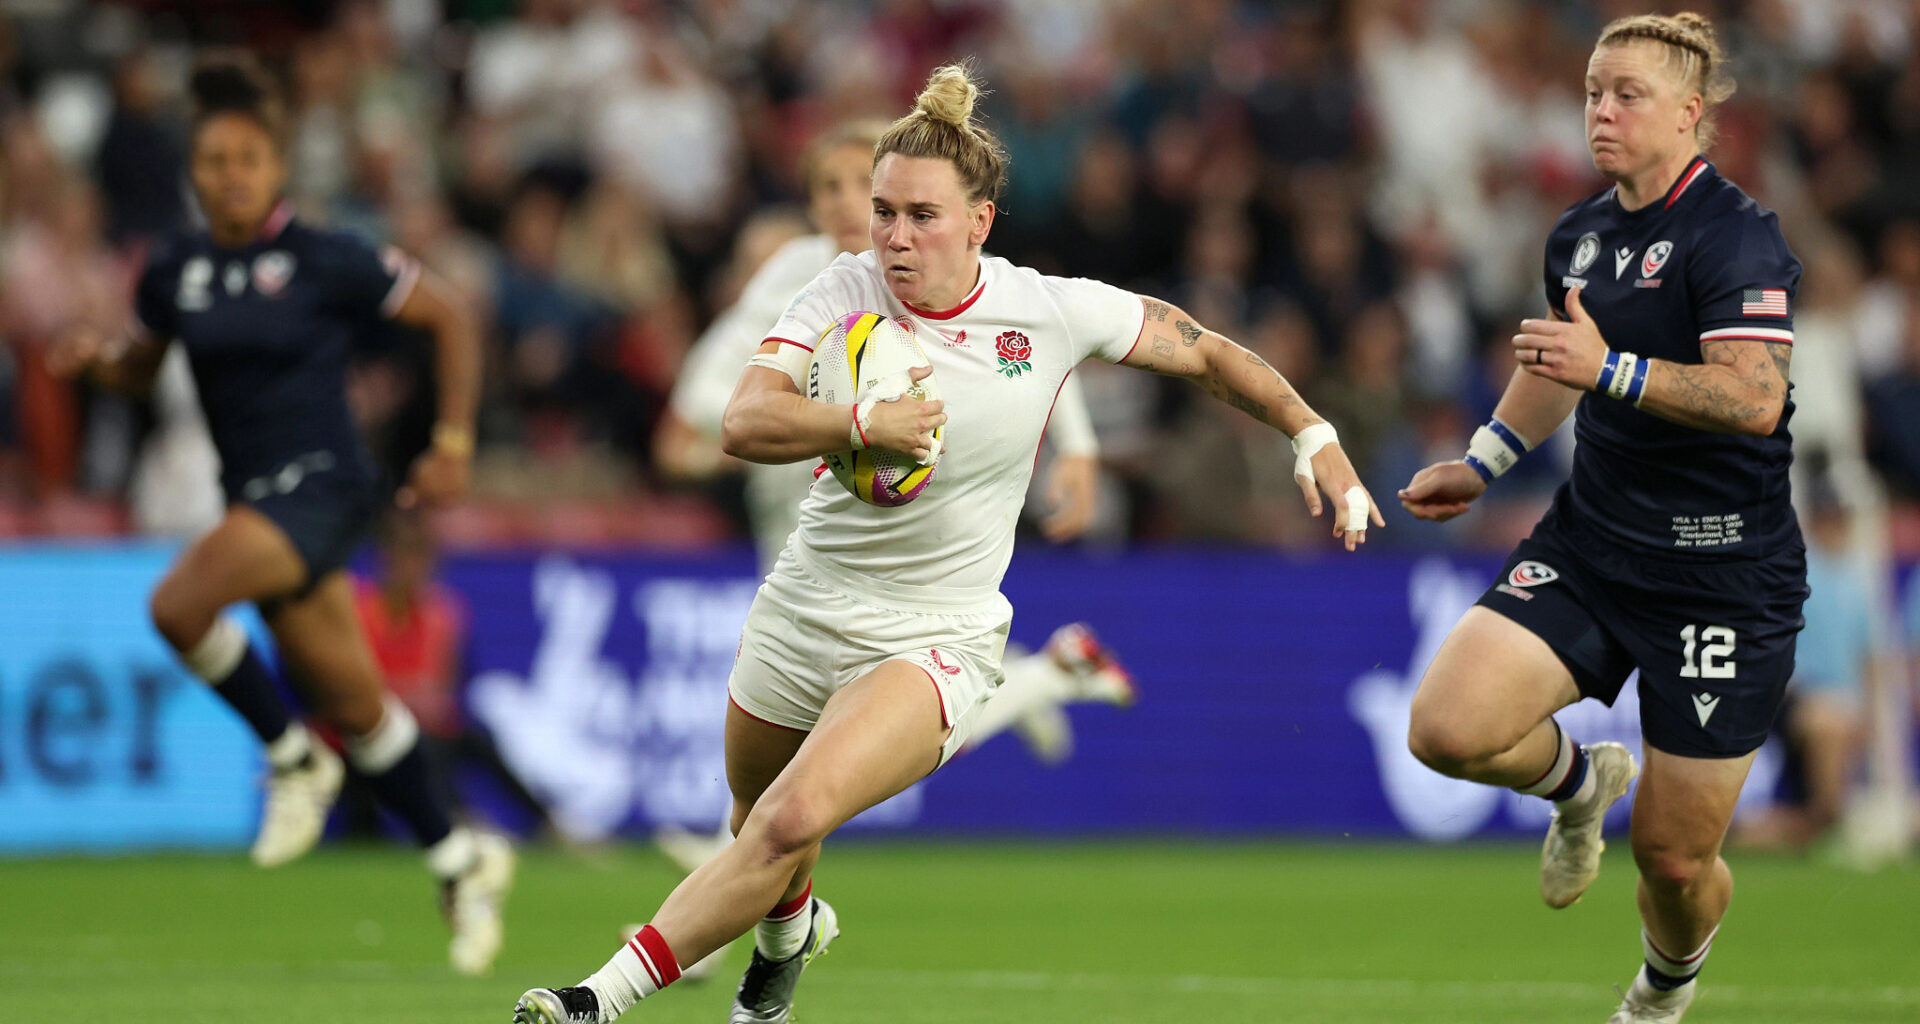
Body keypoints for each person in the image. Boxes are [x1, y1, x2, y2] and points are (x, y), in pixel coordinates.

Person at [513, 62, 1381, 1024]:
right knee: (756, 834)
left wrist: (1316, 436)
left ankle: (594, 1000)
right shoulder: (838, 288)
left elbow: (1209, 350)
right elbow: (742, 422)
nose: (892, 236)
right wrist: (860, 424)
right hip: (803, 605)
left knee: (792, 821)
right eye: (883, 211)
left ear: (981, 221)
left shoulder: (1046, 310)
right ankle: (787, 943)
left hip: (935, 633)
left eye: (921, 215)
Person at [50, 57, 512, 976]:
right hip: (253, 501)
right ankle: (462, 858)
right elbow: (146, 367)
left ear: (277, 169)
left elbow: (452, 316)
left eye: (247, 159)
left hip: (330, 486)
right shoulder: (173, 270)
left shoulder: (324, 256)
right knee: (362, 708)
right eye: (215, 160)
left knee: (177, 607)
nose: (230, 175)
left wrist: (453, 442)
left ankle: (293, 759)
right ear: (194, 170)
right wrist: (99, 363)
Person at [1397, 14, 1805, 1023]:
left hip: (1721, 575)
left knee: (1672, 860)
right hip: (1595, 545)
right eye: (1591, 91)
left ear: (1689, 113)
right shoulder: (1580, 236)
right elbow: (1557, 369)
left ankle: (1663, 992)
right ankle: (1581, 785)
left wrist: (1609, 368)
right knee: (1444, 728)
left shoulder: (1736, 233)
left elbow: (1753, 396)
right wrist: (1483, 463)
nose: (1601, 112)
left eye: (1627, 94)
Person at [656, 120, 1132, 791]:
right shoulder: (800, 274)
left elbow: (1033, 339)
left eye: (864, 187)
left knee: (870, 731)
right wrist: (791, 421)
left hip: (901, 522)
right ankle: (1045, 674)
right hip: (796, 506)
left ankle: (746, 862)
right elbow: (711, 387)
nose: (848, 202)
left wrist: (1077, 444)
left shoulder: (935, 267)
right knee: (816, 725)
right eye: (829, 187)